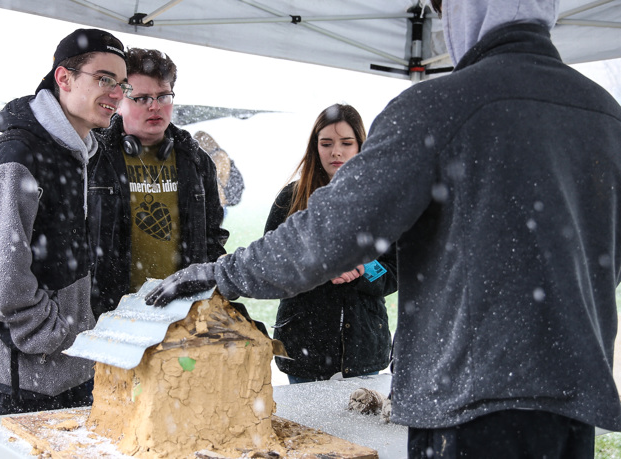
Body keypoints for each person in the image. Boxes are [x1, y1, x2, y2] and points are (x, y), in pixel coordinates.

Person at [146, 0, 621, 457]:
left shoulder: (441, 106)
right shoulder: (604, 114)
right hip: (571, 397)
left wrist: (221, 274)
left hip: (469, 403)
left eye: (442, 9)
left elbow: (328, 233)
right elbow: (608, 261)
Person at [0, 28, 130, 429]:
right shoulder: (22, 152)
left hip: (72, 368)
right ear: (64, 78)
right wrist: (48, 337)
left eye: (121, 84)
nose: (116, 93)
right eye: (104, 78)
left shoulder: (80, 151)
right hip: (24, 376)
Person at [89, 47, 228, 318]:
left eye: (163, 96)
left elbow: (213, 236)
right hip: (110, 312)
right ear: (119, 101)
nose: (155, 106)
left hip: (180, 311)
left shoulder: (196, 161)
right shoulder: (95, 157)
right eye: (141, 98)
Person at [265, 104, 397, 384]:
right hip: (304, 351)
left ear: (361, 146)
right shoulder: (290, 200)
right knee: (305, 429)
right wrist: (319, 267)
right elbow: (269, 265)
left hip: (363, 351)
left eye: (346, 143)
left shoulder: (382, 201)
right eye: (327, 143)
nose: (336, 151)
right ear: (316, 148)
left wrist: (364, 268)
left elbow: (395, 271)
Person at [194, 130, 245, 216]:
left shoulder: (218, 156)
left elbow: (208, 177)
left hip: (216, 207)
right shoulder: (217, 155)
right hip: (217, 206)